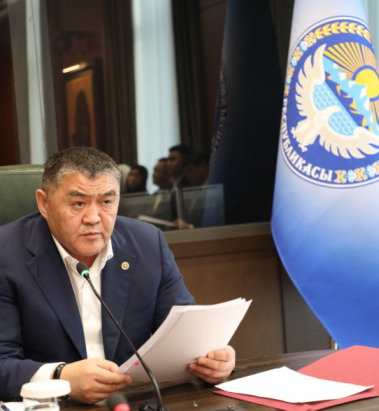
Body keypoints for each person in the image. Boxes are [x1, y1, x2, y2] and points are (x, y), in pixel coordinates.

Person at [0, 147, 235, 404]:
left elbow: (186, 335)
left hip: (132, 401)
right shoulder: (6, 254)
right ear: (44, 203)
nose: (93, 218)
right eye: (78, 203)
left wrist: (214, 360)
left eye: (106, 202)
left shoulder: (147, 244)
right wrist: (61, 377)